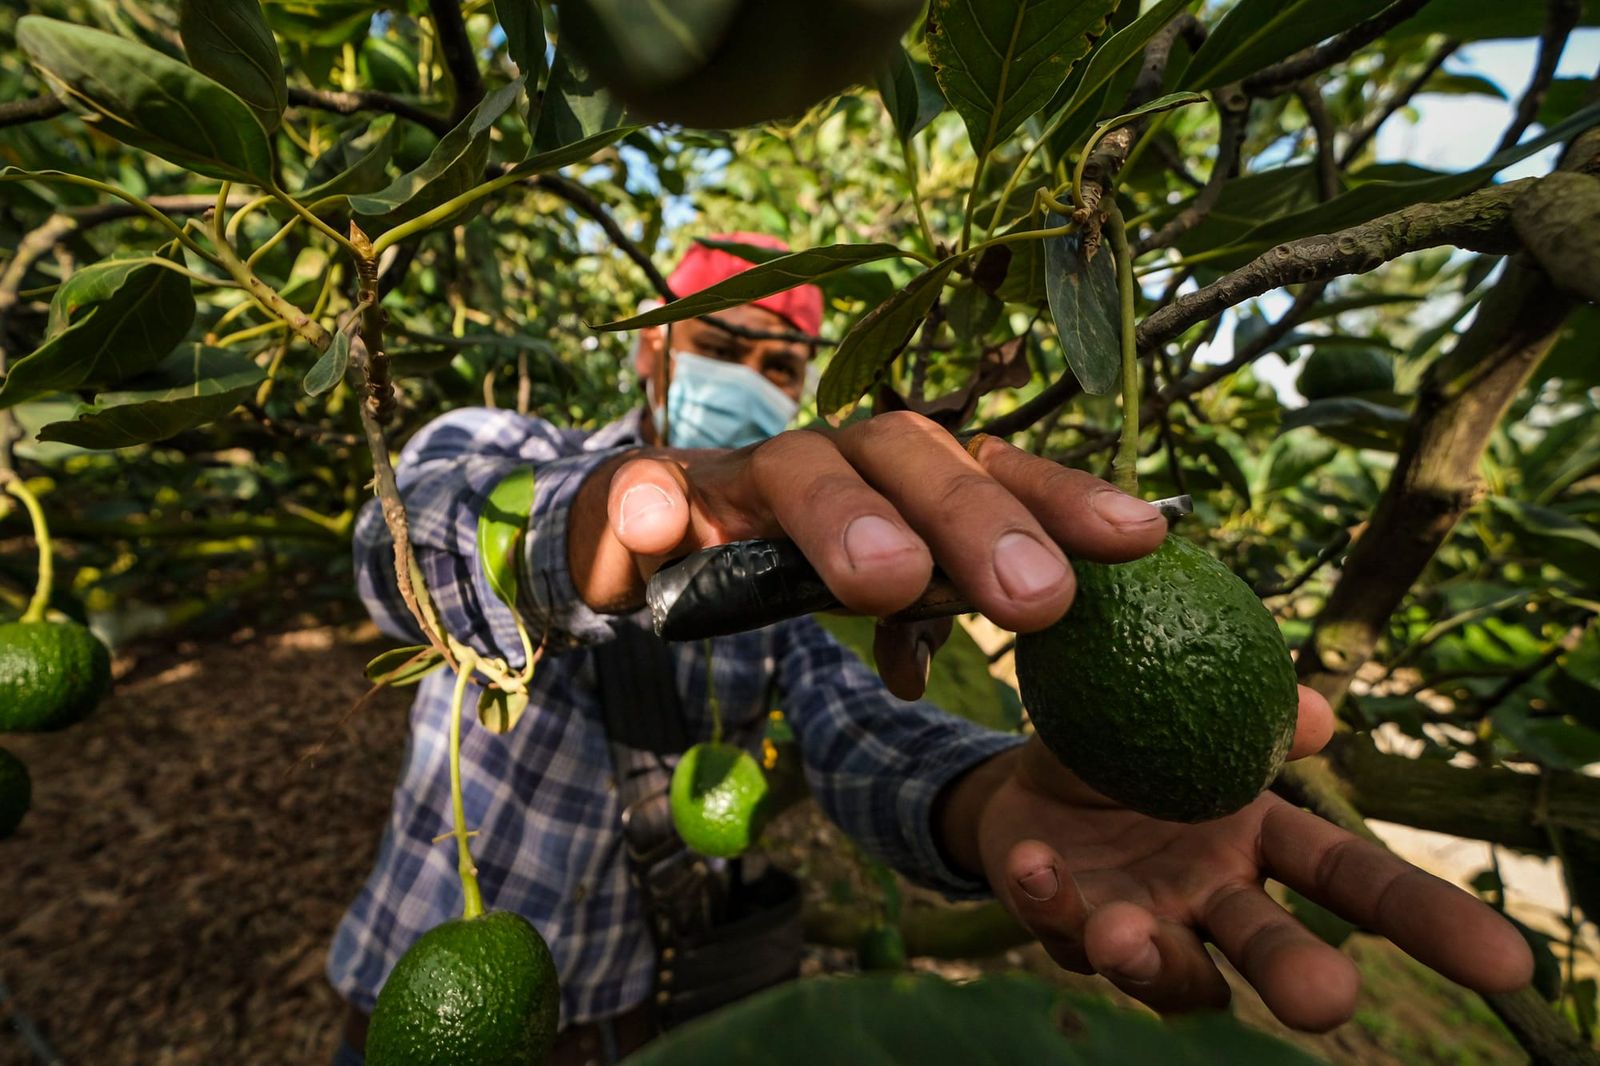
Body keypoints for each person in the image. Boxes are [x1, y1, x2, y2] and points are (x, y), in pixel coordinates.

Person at [327, 234, 1533, 1065]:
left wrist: (993, 796)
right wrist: (594, 528)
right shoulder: (501, 440)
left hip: (661, 1015)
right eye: (727, 343)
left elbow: (860, 735)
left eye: (781, 363)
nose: (753, 377)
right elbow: (401, 554)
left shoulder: (778, 591)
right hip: (410, 1001)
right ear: (658, 348)